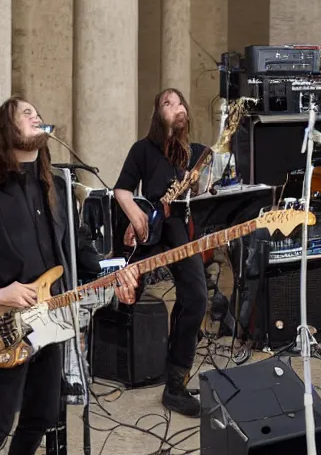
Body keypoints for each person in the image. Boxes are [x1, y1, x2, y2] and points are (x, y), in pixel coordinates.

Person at [0, 97, 139, 455]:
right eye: (26, 114)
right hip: (8, 320)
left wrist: (114, 269)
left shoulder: (58, 187)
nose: (37, 117)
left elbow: (77, 249)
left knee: (42, 413)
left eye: (38, 113)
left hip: (53, 314)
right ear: (7, 129)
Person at [113, 88, 208, 418]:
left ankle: (176, 383)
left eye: (180, 101)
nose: (177, 107)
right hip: (148, 231)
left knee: (196, 298)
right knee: (122, 294)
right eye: (168, 103)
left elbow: (209, 193)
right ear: (158, 114)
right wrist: (133, 214)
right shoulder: (143, 149)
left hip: (180, 230)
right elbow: (122, 189)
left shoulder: (196, 153)